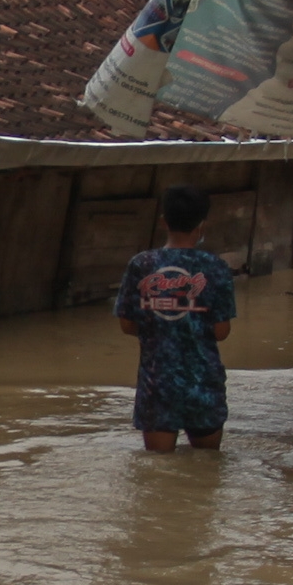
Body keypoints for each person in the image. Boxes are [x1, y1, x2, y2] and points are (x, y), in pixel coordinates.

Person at [114, 185, 236, 451]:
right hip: (204, 383)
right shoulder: (216, 267)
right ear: (202, 225)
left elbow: (126, 324)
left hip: (157, 384)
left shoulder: (141, 264)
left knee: (157, 475)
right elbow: (221, 331)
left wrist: (159, 326)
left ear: (164, 222)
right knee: (206, 471)